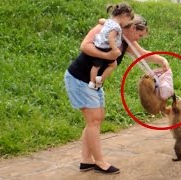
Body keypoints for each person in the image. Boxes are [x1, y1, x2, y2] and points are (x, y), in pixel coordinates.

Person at [64, 14, 169, 174]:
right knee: (95, 119)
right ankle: (100, 163)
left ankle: (86, 160)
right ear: (133, 28)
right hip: (79, 78)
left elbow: (142, 54)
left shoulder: (127, 42)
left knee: (96, 119)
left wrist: (162, 60)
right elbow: (85, 46)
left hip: (95, 82)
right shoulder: (104, 29)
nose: (139, 39)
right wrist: (108, 55)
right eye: (139, 35)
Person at [89, 2, 134, 90]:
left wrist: (103, 21)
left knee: (97, 66)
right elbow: (111, 37)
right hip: (106, 48)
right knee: (112, 65)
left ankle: (92, 82)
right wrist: (114, 49)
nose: (126, 23)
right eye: (128, 20)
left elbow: (101, 20)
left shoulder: (109, 22)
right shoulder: (116, 27)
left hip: (99, 45)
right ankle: (99, 80)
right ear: (124, 15)